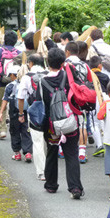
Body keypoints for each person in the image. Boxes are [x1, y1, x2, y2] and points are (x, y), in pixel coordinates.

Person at [40, 48, 84, 199]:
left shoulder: (42, 81)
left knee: (52, 153)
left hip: (52, 126)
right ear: (62, 62)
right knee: (71, 154)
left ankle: (51, 184)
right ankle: (75, 188)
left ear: (47, 62)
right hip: (70, 122)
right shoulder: (68, 76)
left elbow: (38, 102)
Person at [17, 53, 48, 180]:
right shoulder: (49, 74)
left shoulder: (27, 77)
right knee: (49, 142)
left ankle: (41, 172)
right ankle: (50, 171)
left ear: (30, 64)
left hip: (35, 112)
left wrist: (20, 114)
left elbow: (20, 97)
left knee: (37, 142)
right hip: (50, 111)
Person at [0, 30, 21, 140]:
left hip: (1, 82)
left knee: (1, 106)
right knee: (16, 106)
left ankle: (2, 130)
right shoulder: (19, 52)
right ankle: (17, 129)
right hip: (15, 83)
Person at [65, 41, 92, 163]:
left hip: (68, 97)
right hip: (82, 97)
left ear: (67, 52)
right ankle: (82, 152)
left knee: (67, 121)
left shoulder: (64, 64)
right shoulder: (85, 65)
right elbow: (90, 81)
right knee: (82, 124)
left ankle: (63, 149)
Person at [0, 65, 33, 163]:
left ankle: (17, 153)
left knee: (14, 131)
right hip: (26, 110)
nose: (10, 77)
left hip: (14, 111)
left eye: (10, 75)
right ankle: (28, 153)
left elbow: (5, 100)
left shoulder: (10, 86)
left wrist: (1, 112)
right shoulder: (28, 83)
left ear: (14, 75)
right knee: (26, 131)